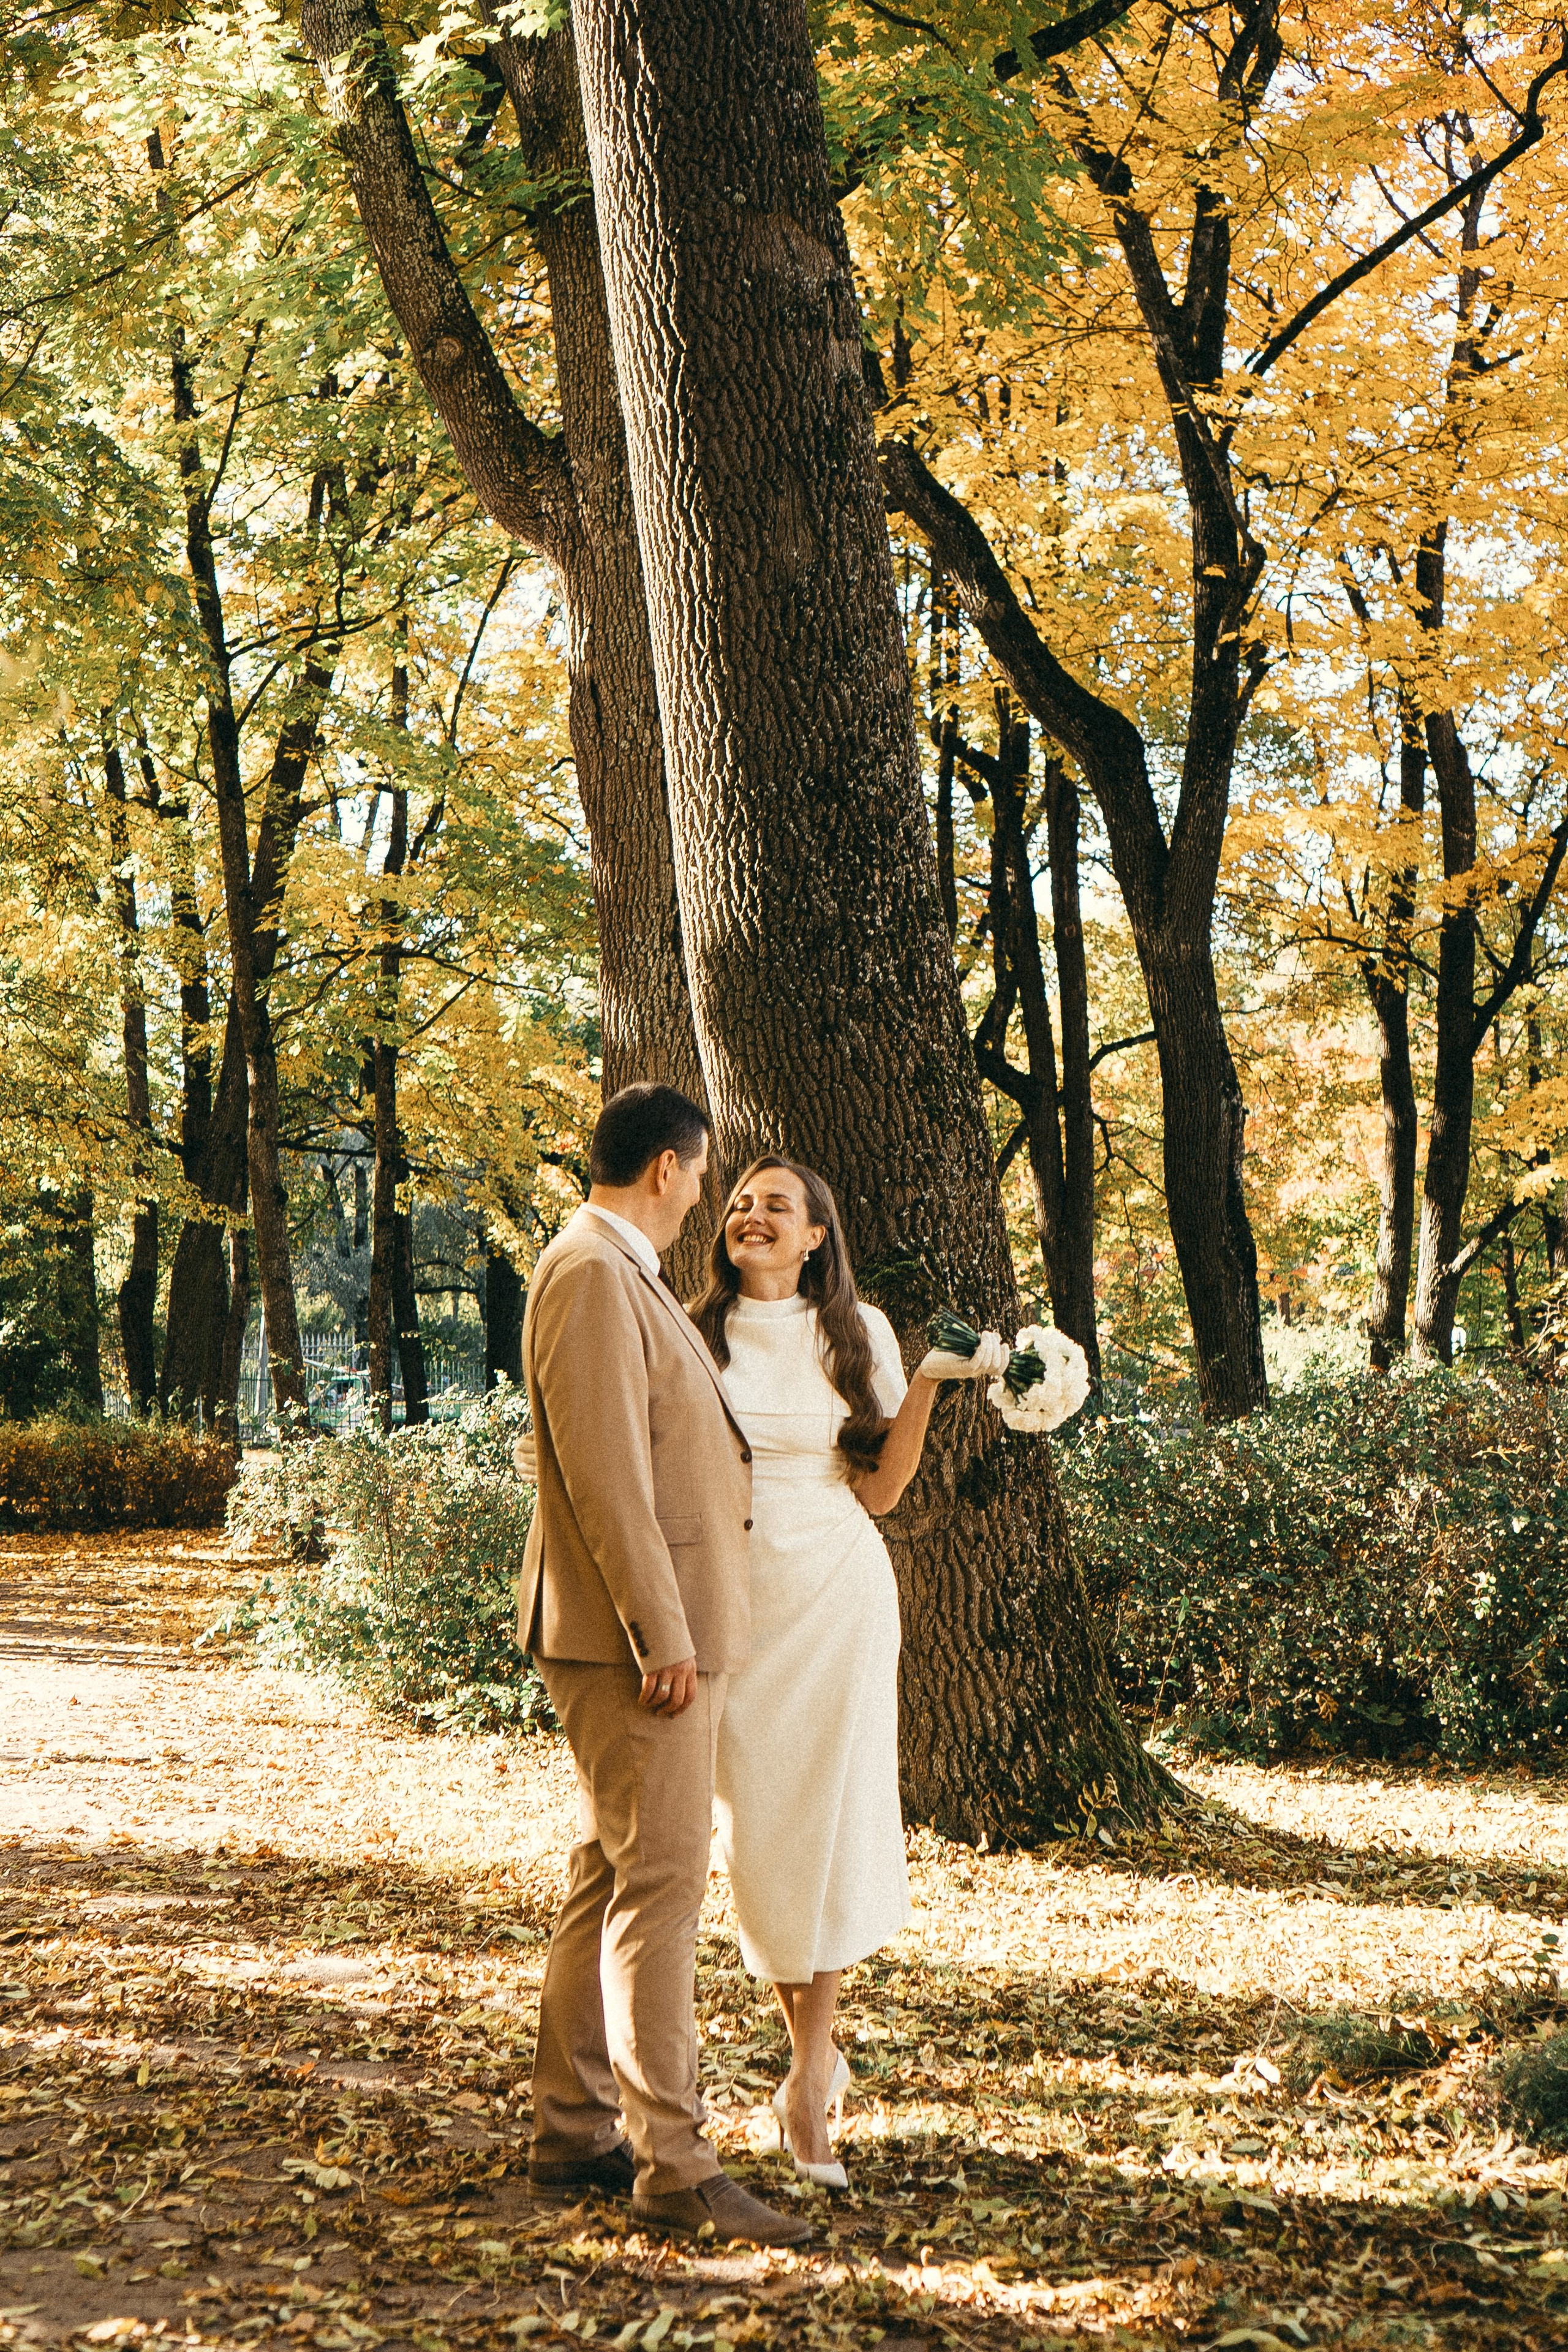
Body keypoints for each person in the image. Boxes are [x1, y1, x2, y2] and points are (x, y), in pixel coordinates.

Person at [518, 1085, 809, 2248]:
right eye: (699, 1175)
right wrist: (664, 1633)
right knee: (664, 1888)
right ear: (667, 1168)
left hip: (632, 1635)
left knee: (611, 1876)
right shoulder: (593, 1272)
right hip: (632, 1644)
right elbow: (606, 1477)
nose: (703, 1192)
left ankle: (572, 2130)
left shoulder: (613, 1267)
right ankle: (675, 2166)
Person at [690, 1156, 1005, 2188]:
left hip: (839, 1589)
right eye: (740, 1202)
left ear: (818, 1234)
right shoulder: (689, 1328)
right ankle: (814, 2053)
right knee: (762, 1832)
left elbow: (880, 1493)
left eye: (777, 1205)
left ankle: (808, 2068)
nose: (752, 1214)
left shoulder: (856, 1330)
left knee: (827, 1822)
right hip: (735, 1598)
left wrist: (922, 1383)